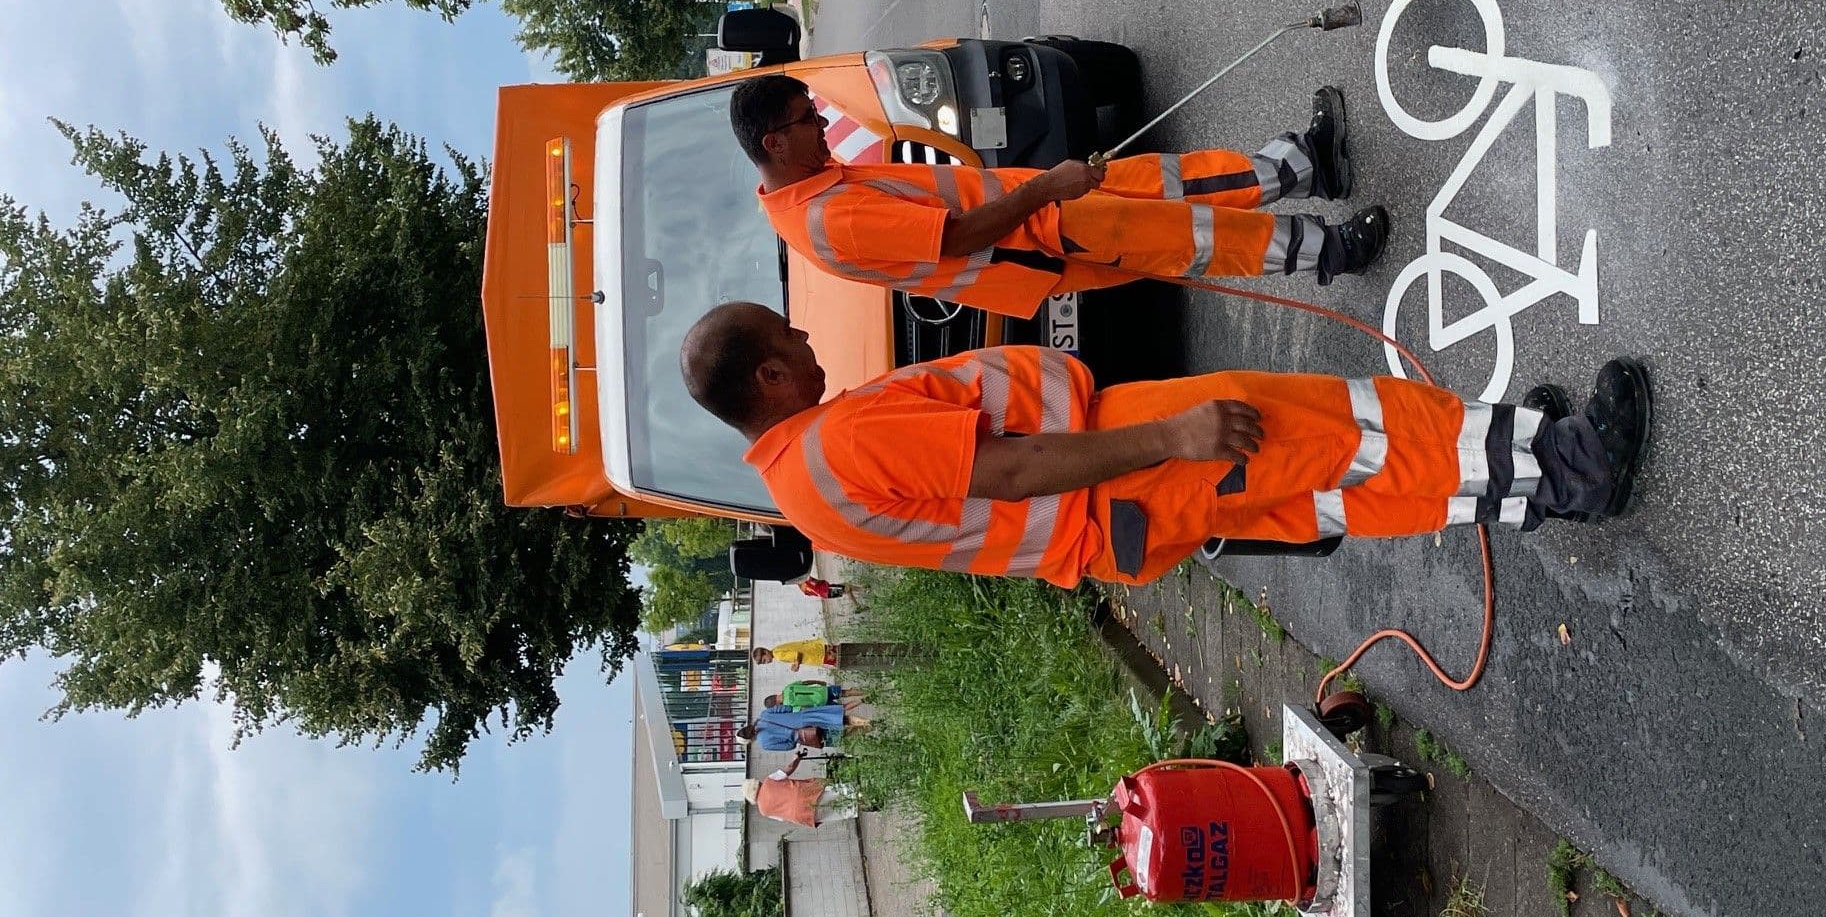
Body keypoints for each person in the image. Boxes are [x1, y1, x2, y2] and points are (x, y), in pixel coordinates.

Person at [682, 303, 1652, 587]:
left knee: (1336, 490)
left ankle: (1532, 479)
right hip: (1132, 466)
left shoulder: (801, 490)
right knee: (1350, 437)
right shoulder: (839, 441)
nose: (808, 341)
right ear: (768, 379)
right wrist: (1172, 434)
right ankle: (1572, 464)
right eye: (789, 340)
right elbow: (1010, 470)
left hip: (1121, 521)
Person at [729, 73, 1390, 322]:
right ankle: (1332, 251)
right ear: (774, 143)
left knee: (1174, 182)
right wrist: (1047, 187)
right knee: (1192, 234)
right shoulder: (828, 220)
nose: (821, 125)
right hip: (1042, 234)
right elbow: (955, 238)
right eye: (805, 120)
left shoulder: (818, 187)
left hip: (1041, 212)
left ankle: (1304, 165)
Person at [743, 754, 853, 828]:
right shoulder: (768, 781)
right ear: (756, 783)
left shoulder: (764, 811)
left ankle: (863, 806)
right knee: (839, 792)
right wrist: (797, 758)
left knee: (837, 812)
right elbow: (789, 768)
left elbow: (782, 818)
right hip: (806, 794)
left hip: (801, 815)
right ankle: (862, 793)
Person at [736, 695, 870, 753]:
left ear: (749, 740)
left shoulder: (764, 744)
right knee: (841, 718)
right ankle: (866, 719)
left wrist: (794, 738)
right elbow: (786, 708)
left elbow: (788, 747)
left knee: (841, 736)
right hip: (804, 717)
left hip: (806, 735)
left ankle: (870, 727)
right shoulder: (764, 715)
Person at [755, 637, 905, 672]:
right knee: (856, 652)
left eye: (764, 660)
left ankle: (890, 660)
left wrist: (796, 665)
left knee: (855, 662)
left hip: (820, 656)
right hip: (821, 649)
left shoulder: (779, 655)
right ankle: (890, 653)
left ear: (765, 652)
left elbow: (797, 654)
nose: (766, 662)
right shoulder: (778, 648)